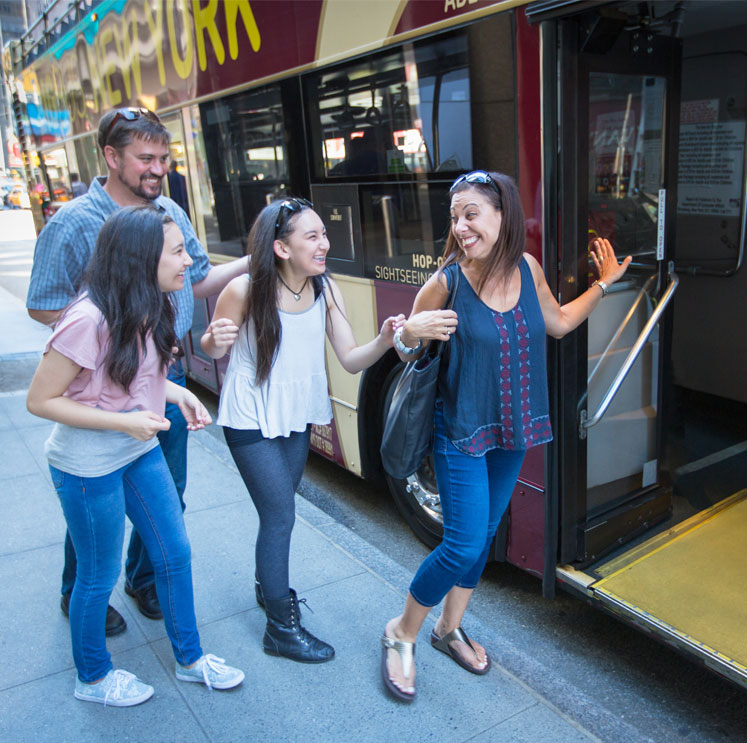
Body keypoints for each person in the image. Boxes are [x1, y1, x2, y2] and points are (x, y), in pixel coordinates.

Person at [379, 171, 630, 702]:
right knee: (462, 543)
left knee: (485, 533)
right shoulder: (447, 282)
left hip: (512, 429)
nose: (461, 226)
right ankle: (401, 631)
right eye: (455, 217)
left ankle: (448, 629)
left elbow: (558, 323)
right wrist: (407, 332)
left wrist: (604, 284)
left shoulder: (527, 268)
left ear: (502, 215)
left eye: (471, 213)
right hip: (461, 432)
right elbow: (404, 350)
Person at [26, 107, 249, 634]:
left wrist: (257, 257)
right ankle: (80, 593)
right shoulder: (73, 223)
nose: (158, 169)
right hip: (99, 392)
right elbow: (42, 304)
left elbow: (194, 280)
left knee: (167, 492)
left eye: (164, 158)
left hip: (161, 384)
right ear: (111, 156)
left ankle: (144, 580)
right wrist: (114, 336)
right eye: (145, 158)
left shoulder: (169, 208)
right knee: (93, 499)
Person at [200, 197, 403, 663]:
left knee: (278, 513)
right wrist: (214, 340)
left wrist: (384, 340)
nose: (324, 244)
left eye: (323, 234)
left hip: (296, 416)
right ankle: (279, 628)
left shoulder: (324, 289)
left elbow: (351, 359)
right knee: (281, 516)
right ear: (281, 247)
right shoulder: (244, 290)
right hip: (251, 417)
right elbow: (212, 348)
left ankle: (265, 585)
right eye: (312, 236)